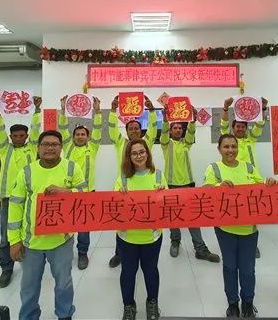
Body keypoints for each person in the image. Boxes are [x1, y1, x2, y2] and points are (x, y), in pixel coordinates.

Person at [7, 130, 88, 320]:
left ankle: (64, 314)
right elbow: (15, 206)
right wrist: (14, 241)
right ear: (38, 148)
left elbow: (85, 194)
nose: (50, 148)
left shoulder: (72, 168)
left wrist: (66, 191)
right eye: (45, 144)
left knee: (64, 283)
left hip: (62, 240)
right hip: (31, 242)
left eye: (54, 144)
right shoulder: (27, 171)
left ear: (61, 147)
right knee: (29, 286)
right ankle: (28, 316)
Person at [204, 134, 276, 318]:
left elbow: (262, 189)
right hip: (225, 229)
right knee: (230, 267)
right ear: (219, 149)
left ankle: (248, 303)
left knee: (247, 269)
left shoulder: (249, 167)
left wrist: (270, 183)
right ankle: (232, 303)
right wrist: (219, 186)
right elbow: (206, 192)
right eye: (226, 147)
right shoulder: (213, 168)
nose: (230, 150)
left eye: (233, 146)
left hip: (249, 229)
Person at [0, 94, 41, 288]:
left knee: (29, 232)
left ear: (27, 137)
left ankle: (30, 264)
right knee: (6, 236)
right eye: (15, 136)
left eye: (22, 136)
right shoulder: (5, 149)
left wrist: (37, 110)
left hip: (29, 197)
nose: (18, 138)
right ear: (10, 137)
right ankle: (6, 268)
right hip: (9, 199)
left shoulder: (32, 149)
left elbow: (36, 128)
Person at [115, 139, 167, 320]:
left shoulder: (158, 176)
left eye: (142, 152)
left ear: (147, 153)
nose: (139, 156)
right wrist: (119, 196)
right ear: (129, 157)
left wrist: (162, 194)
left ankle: (152, 302)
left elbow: (168, 205)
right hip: (127, 237)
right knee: (128, 273)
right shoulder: (122, 178)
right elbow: (114, 207)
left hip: (151, 237)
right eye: (134, 153)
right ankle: (129, 305)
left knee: (151, 271)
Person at [160, 106, 220, 263]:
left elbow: (191, 133)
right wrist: (165, 119)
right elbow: (164, 132)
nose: (178, 130)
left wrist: (193, 120)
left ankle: (200, 249)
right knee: (173, 218)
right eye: (175, 128)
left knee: (193, 218)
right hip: (171, 186)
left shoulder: (186, 144)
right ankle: (175, 241)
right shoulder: (166, 144)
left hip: (188, 185)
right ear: (171, 131)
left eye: (180, 128)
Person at [107, 94, 157, 268]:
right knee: (121, 221)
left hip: (144, 188)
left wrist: (152, 111)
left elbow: (153, 129)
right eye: (131, 129)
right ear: (126, 131)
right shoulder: (121, 143)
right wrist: (112, 110)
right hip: (124, 189)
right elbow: (112, 130)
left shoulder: (146, 143)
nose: (134, 131)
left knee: (143, 218)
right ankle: (118, 254)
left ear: (141, 131)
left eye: (137, 128)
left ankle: (145, 249)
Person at [220, 97, 268, 258]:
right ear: (233, 128)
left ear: (246, 129)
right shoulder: (230, 141)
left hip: (251, 182)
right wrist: (225, 108)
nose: (240, 129)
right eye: (237, 126)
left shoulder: (251, 139)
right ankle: (232, 241)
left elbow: (260, 124)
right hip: (233, 182)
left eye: (242, 127)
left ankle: (252, 245)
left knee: (252, 213)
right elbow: (223, 124)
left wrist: (263, 108)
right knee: (233, 211)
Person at [58, 95, 102, 270]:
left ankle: (82, 253)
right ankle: (64, 251)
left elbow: (98, 128)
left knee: (84, 226)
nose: (80, 136)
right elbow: (62, 128)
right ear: (73, 136)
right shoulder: (67, 146)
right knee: (66, 224)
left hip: (87, 194)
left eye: (83, 134)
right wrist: (62, 110)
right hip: (68, 192)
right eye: (77, 134)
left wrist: (98, 112)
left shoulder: (93, 147)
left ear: (88, 137)